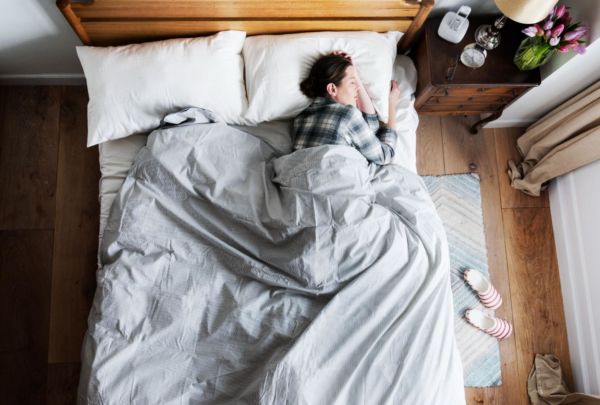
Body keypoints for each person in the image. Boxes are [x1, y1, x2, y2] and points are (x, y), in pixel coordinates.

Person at [293, 52, 401, 165]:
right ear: (332, 89)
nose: (358, 88)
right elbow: (384, 156)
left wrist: (354, 77)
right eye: (352, 83)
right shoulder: (347, 115)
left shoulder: (300, 119)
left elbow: (370, 128)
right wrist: (392, 104)